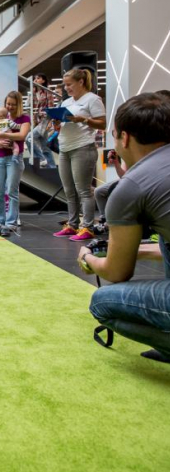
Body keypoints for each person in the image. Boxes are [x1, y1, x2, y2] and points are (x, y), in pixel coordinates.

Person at [79, 93, 170, 364]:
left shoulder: (130, 187)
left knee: (103, 303)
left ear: (125, 138)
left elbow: (117, 272)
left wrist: (89, 259)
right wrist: (135, 251)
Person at [53, 69, 106, 241]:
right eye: (65, 85)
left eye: (69, 84)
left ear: (81, 82)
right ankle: (72, 225)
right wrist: (57, 125)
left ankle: (87, 227)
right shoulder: (66, 102)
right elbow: (63, 125)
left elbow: (102, 124)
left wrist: (82, 119)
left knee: (83, 190)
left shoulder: (92, 99)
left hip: (83, 147)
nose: (67, 88)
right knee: (69, 191)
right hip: (65, 148)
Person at [0, 91, 30, 237]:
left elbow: (22, 135)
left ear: (19, 105)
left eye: (13, 104)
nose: (10, 106)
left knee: (12, 191)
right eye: (8, 103)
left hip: (14, 158)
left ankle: (10, 223)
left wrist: (3, 135)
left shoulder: (24, 118)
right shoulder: (1, 116)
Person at [30, 73, 57, 168]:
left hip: (45, 120)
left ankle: (41, 159)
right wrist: (33, 90)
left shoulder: (47, 91)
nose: (36, 80)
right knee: (44, 146)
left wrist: (50, 121)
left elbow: (51, 106)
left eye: (38, 78)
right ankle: (52, 166)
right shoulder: (35, 92)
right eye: (35, 78)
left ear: (43, 80)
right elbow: (31, 105)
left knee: (29, 138)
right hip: (38, 120)